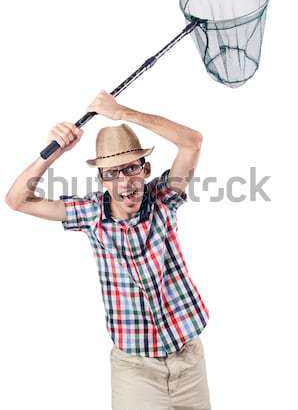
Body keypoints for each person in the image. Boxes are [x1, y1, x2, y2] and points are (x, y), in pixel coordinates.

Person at [5, 90, 212, 410]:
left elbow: (192, 142)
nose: (124, 181)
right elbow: (17, 200)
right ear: (102, 179)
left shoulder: (164, 197)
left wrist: (123, 113)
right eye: (112, 173)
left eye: (131, 168)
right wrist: (55, 153)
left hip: (188, 359)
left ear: (146, 169)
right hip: (135, 369)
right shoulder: (90, 213)